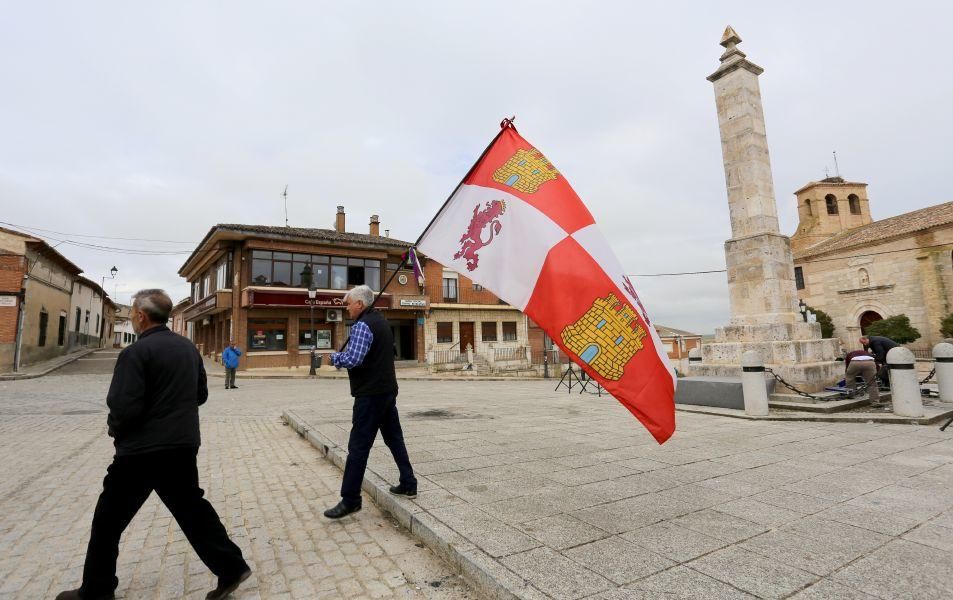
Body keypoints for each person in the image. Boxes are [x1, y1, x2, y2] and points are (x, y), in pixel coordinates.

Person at [57, 289, 250, 600]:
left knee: (107, 520)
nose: (133, 317)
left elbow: (123, 408)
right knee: (192, 510)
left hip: (140, 454)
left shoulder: (135, 353)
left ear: (141, 316)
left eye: (133, 312)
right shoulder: (188, 349)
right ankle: (231, 567)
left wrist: (117, 431)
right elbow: (200, 395)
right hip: (183, 446)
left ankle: (96, 589)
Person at [323, 285, 417, 519]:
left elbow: (354, 358)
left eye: (349, 303)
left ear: (360, 304)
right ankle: (408, 482)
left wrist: (335, 357)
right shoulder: (382, 322)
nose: (346, 308)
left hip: (370, 396)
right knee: (395, 439)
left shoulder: (363, 325)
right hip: (387, 392)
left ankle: (351, 499)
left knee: (358, 447)